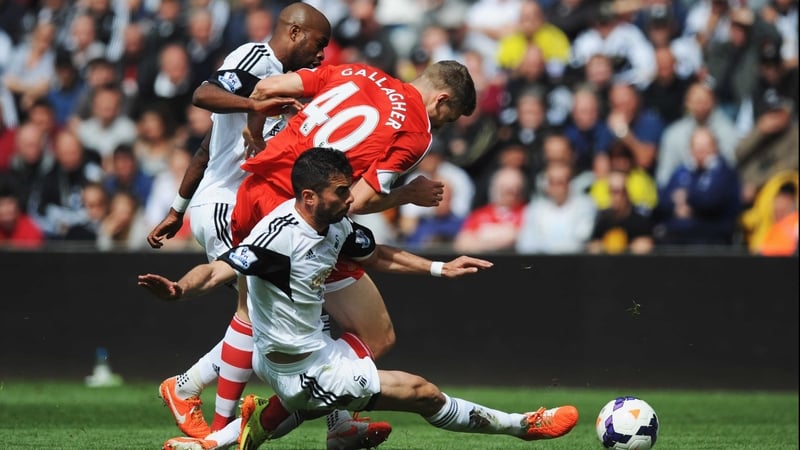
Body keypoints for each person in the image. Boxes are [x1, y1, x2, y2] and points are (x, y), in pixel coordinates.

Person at [138, 147, 577, 450]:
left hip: (318, 350)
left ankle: (225, 440)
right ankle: (524, 428)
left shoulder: (334, 221)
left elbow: (377, 254)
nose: (351, 199)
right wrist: (179, 290)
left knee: (370, 341)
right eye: (341, 192)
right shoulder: (277, 237)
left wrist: (440, 268)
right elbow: (218, 269)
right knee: (421, 392)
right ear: (308, 197)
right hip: (296, 369)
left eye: (349, 188)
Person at [146, 2, 335, 441]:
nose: (322, 55)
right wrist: (257, 101)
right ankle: (205, 409)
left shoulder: (285, 89)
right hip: (227, 207)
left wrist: (176, 209)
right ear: (292, 32)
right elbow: (203, 93)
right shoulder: (256, 60)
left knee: (264, 313)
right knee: (258, 313)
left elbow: (207, 148)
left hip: (239, 206)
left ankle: (196, 398)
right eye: (318, 43)